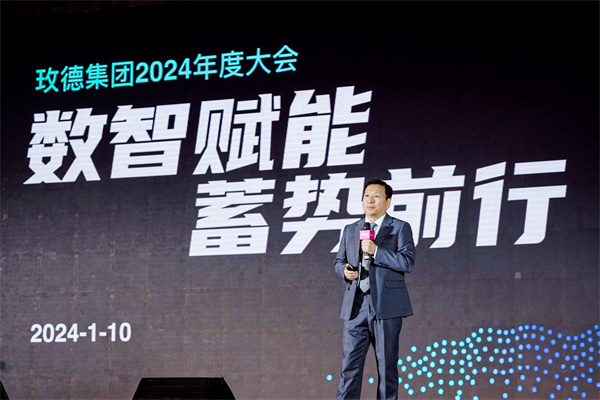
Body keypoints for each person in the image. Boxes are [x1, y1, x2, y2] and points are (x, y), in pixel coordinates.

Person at [334, 179, 416, 400]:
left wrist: (376, 250)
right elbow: (338, 261)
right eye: (367, 196)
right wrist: (344, 271)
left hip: (386, 306)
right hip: (356, 306)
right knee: (349, 367)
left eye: (376, 196)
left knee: (387, 366)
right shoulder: (351, 229)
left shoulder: (400, 227)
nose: (370, 200)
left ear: (388, 202)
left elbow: (407, 262)